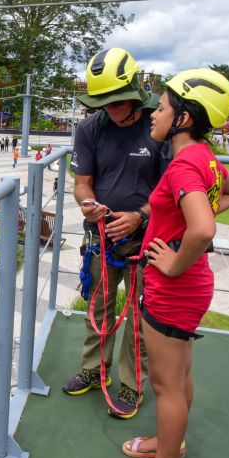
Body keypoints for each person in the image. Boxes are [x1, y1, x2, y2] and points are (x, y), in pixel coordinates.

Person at [114, 69, 229, 458]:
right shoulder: (205, 157)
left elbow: (203, 229)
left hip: (176, 286)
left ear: (183, 118)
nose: (154, 113)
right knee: (180, 376)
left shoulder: (184, 165)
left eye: (163, 107)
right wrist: (185, 227)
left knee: (166, 385)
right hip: (191, 284)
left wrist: (172, 263)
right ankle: (171, 444)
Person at [64, 47, 164, 419]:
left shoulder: (159, 124)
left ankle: (132, 386)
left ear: (135, 91)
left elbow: (173, 189)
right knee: (99, 307)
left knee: (139, 315)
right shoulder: (91, 127)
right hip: (101, 237)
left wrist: (139, 215)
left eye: (116, 101)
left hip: (147, 240)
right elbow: (82, 184)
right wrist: (89, 204)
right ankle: (94, 369)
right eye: (101, 102)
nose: (110, 108)